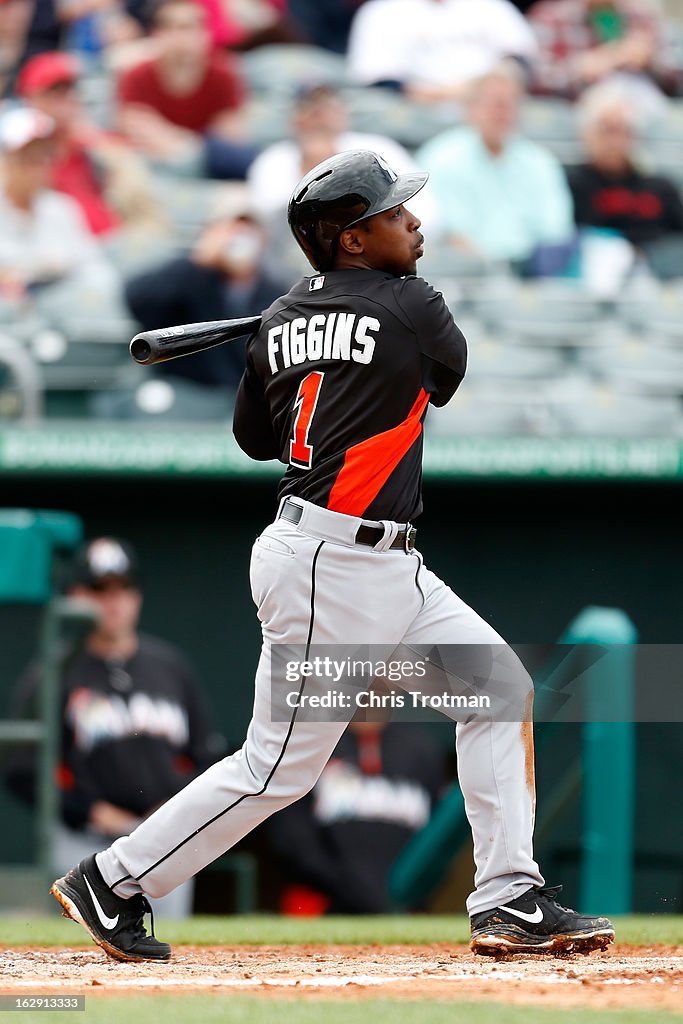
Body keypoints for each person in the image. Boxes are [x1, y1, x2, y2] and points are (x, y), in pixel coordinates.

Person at [50, 148, 615, 962]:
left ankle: (508, 898)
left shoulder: (280, 321)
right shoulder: (411, 305)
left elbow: (256, 438)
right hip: (328, 564)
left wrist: (301, 335)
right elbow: (445, 373)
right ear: (351, 239)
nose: (414, 223)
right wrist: (347, 329)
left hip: (383, 566)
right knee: (277, 767)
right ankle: (115, 879)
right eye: (393, 214)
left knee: (496, 692)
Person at [6, 537, 222, 917]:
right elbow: (21, 769)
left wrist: (175, 806)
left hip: (163, 838)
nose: (113, 601)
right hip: (85, 844)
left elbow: (208, 755)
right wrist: (88, 810)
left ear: (136, 595)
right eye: (99, 589)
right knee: (79, 957)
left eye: (123, 588)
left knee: (169, 952)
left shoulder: (170, 666)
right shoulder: (55, 673)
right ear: (76, 596)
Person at [269, 721, 447, 914]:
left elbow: (437, 841)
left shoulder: (420, 750)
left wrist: (402, 891)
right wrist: (349, 888)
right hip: (322, 903)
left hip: (403, 906)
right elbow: (293, 840)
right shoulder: (309, 745)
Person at [416, 64, 575, 268]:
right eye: (495, 104)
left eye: (510, 104)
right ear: (471, 108)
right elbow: (442, 229)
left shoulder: (541, 162)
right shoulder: (440, 158)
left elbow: (557, 229)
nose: (502, 113)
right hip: (464, 272)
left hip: (532, 269)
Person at [125, 210, 289, 393]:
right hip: (187, 392)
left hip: (244, 396)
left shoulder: (274, 291)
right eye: (231, 231)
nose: (239, 240)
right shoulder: (191, 278)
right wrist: (198, 260)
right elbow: (137, 299)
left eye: (247, 232)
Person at [16, 51, 165, 237]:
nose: (66, 100)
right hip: (56, 254)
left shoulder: (105, 150)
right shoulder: (20, 160)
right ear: (31, 100)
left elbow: (145, 213)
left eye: (70, 90)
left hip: (116, 248)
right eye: (55, 93)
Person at [247, 83, 435, 230]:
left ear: (343, 113)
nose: (321, 117)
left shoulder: (378, 148)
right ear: (295, 119)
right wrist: (312, 169)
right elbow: (271, 224)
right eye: (310, 109)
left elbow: (426, 212)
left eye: (328, 107)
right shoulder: (273, 160)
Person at [115, 0, 256, 178]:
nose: (180, 38)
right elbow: (136, 131)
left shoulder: (225, 75)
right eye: (170, 27)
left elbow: (231, 140)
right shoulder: (135, 76)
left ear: (205, 33)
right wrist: (198, 145)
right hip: (153, 172)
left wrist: (176, 141)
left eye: (188, 27)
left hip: (208, 174)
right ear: (156, 34)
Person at [0, 106, 118, 301]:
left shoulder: (61, 208)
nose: (39, 168)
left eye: (45, 157)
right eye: (29, 158)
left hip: (64, 315)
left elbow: (96, 271)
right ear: (7, 159)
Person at [346, 0, 538, 105]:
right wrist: (443, 94)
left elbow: (520, 60)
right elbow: (378, 80)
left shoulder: (493, 7)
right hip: (414, 109)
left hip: (486, 105)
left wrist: (486, 86)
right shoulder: (381, 11)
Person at [568, 84, 683, 252]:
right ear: (586, 133)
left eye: (625, 131)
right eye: (608, 130)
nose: (616, 142)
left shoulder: (661, 188)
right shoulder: (570, 185)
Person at [527, 0, 682, 103]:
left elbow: (676, 78)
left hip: (641, 118)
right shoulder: (551, 18)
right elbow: (532, 80)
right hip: (577, 120)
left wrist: (649, 61)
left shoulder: (642, 18)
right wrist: (578, 70)